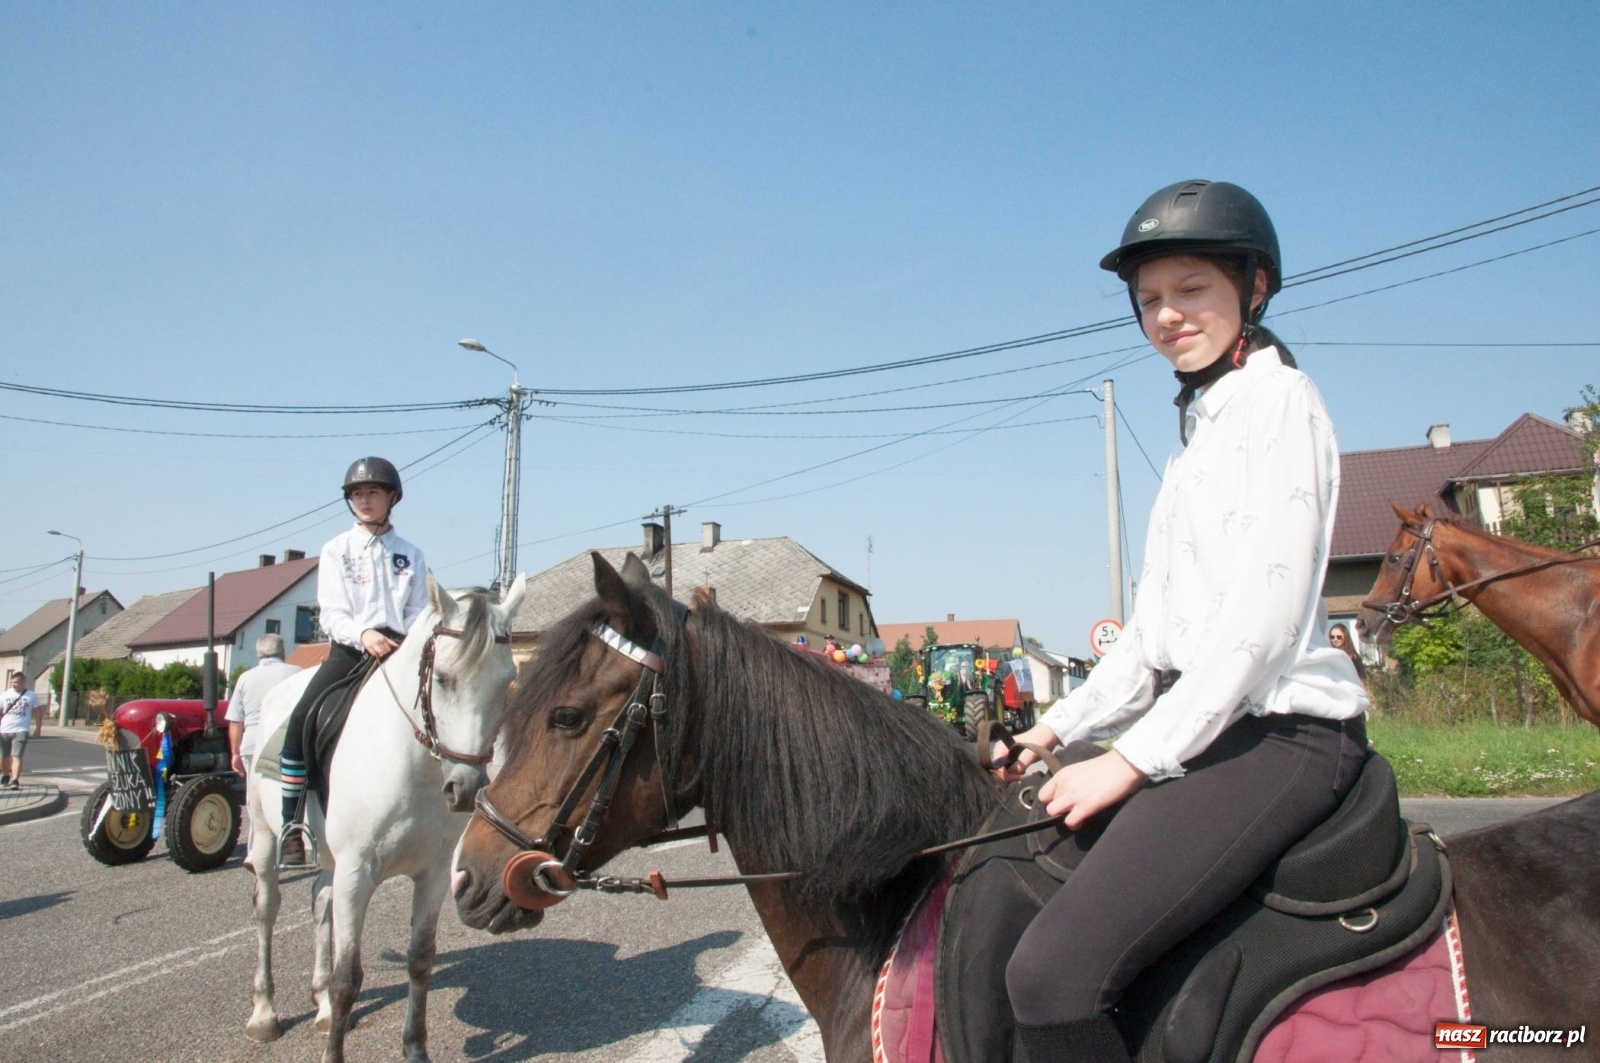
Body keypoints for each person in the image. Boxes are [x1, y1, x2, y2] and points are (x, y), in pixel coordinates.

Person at [994, 180, 1370, 1062]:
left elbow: (1260, 632)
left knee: (1049, 975)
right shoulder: (1199, 430)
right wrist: (1050, 730)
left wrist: (1128, 759)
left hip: (1279, 734)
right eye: (1149, 298)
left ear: (1254, 287)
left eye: (1191, 288)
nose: (1166, 315)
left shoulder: (1281, 403)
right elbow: (1150, 640)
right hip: (1207, 724)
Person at [278, 457, 426, 869]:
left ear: (392, 497)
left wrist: (405, 640)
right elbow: (331, 612)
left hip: (399, 650)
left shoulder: (411, 555)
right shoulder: (336, 550)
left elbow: (419, 609)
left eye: (372, 492)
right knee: (301, 720)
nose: (364, 500)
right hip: (350, 649)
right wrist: (363, 634)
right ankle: (291, 825)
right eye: (357, 494)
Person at [226, 633, 301, 777]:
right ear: (282, 651)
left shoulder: (245, 678)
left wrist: (235, 753)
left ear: (258, 653)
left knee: (253, 790)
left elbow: (236, 720)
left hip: (252, 743)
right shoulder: (296, 672)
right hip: (284, 741)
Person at [2, 673, 40, 789]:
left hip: (21, 730)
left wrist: (38, 728)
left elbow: (37, 712)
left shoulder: (31, 695)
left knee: (17, 756)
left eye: (16, 682)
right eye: (12, 682)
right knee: (3, 756)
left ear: (23, 682)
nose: (13, 684)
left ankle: (15, 780)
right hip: (4, 730)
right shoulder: (5, 695)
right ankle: (5, 776)